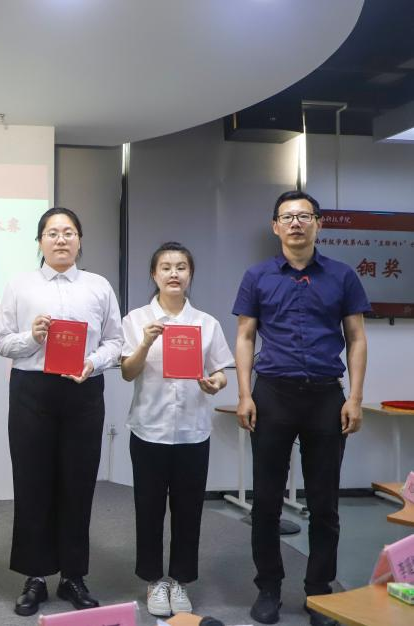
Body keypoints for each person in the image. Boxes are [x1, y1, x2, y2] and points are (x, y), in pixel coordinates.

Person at [233, 190, 369, 626]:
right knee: (266, 501)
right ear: (275, 226)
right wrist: (244, 393)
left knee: (325, 503)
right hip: (273, 394)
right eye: (287, 217)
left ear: (318, 224)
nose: (296, 223)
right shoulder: (257, 276)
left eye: (304, 216)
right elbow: (245, 336)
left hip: (326, 397)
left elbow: (357, 338)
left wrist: (355, 398)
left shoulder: (342, 276)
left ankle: (319, 592)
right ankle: (268, 588)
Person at [0, 207, 123, 616]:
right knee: (32, 483)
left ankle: (72, 576)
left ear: (80, 240)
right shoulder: (19, 285)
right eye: (52, 233)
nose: (61, 239)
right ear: (40, 242)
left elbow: (116, 341)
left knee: (78, 484)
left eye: (69, 232)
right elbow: (1, 341)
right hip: (32, 391)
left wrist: (93, 363)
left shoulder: (99, 286)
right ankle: (34, 577)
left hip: (83, 390)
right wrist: (32, 337)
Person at [120, 242, 234, 618]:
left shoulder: (206, 323)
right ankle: (154, 580)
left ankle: (181, 580)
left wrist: (216, 384)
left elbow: (220, 372)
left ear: (190, 275)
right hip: (149, 429)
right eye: (166, 267)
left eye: (181, 267)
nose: (173, 273)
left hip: (192, 432)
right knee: (149, 508)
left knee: (188, 510)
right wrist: (146, 342)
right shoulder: (136, 319)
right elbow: (127, 372)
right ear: (154, 274)